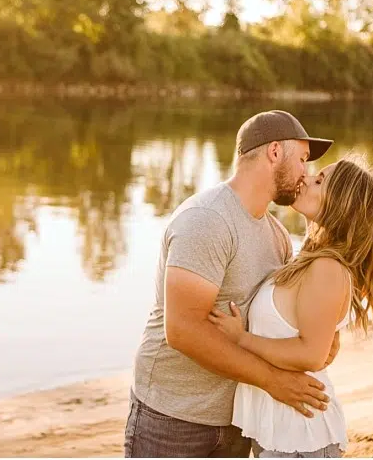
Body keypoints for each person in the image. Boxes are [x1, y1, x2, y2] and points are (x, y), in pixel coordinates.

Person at [125, 110, 335, 458]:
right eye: (301, 159)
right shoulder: (208, 221)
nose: (305, 173)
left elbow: (285, 321)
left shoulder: (278, 237)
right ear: (274, 153)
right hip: (173, 420)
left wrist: (325, 340)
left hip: (238, 420)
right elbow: (183, 329)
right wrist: (272, 380)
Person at [209, 157, 373, 458]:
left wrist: (241, 340)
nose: (305, 177)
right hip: (282, 426)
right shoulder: (309, 260)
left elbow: (311, 354)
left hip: (300, 435)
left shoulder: (326, 268)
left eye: (320, 180)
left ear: (341, 204)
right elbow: (317, 341)